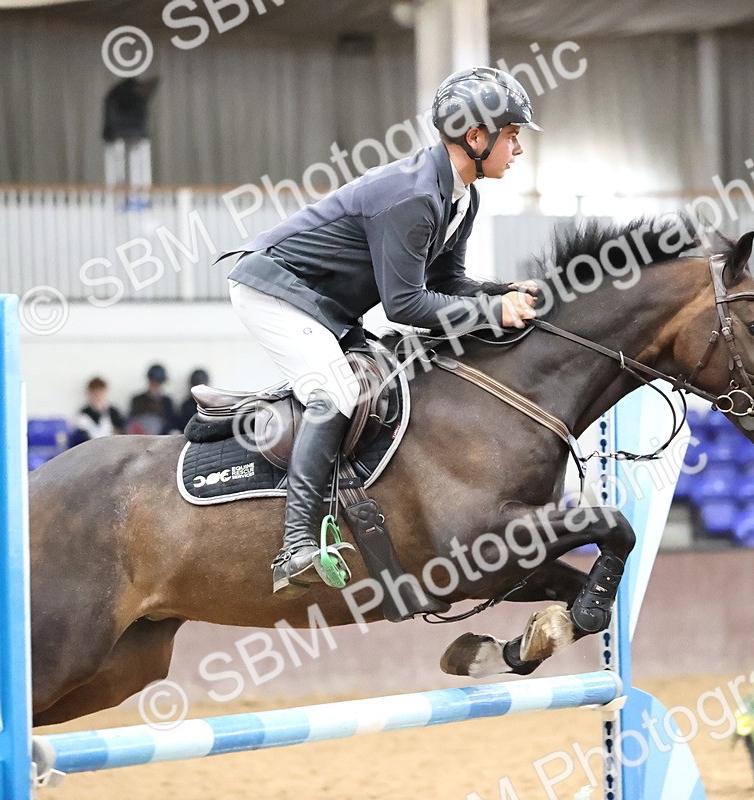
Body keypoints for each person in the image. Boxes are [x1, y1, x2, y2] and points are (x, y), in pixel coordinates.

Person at [222, 67, 541, 595]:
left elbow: (448, 281)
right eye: (512, 135)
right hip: (274, 290)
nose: (518, 148)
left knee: (390, 381)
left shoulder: (462, 196)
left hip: (323, 304)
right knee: (337, 394)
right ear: (476, 137)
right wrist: (493, 313)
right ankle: (295, 545)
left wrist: (505, 291)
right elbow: (405, 304)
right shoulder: (413, 196)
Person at [72, 377, 126, 444]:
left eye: (100, 393)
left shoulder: (113, 412)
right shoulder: (83, 413)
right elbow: (79, 437)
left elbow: (122, 432)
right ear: (89, 394)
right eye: (95, 394)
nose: (98, 396)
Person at [127, 363, 176, 435]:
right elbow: (131, 422)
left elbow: (172, 423)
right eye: (153, 382)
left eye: (158, 383)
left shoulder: (167, 402)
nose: (156, 386)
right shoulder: (138, 400)